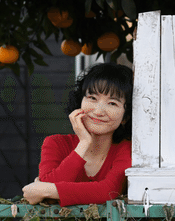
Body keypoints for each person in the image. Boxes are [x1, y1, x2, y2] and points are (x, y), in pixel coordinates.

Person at [22, 63, 133, 206]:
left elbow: (109, 192)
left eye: (112, 103)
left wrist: (47, 190)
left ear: (125, 116)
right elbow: (47, 198)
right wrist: (84, 143)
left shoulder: (126, 148)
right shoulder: (55, 143)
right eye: (92, 98)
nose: (99, 111)